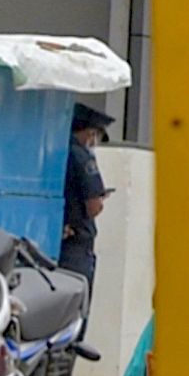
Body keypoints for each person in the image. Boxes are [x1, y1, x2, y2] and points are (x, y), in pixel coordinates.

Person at [62, 102, 112, 300]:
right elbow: (93, 206)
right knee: (77, 307)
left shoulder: (58, 151)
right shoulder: (82, 157)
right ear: (88, 132)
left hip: (60, 239)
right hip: (77, 244)